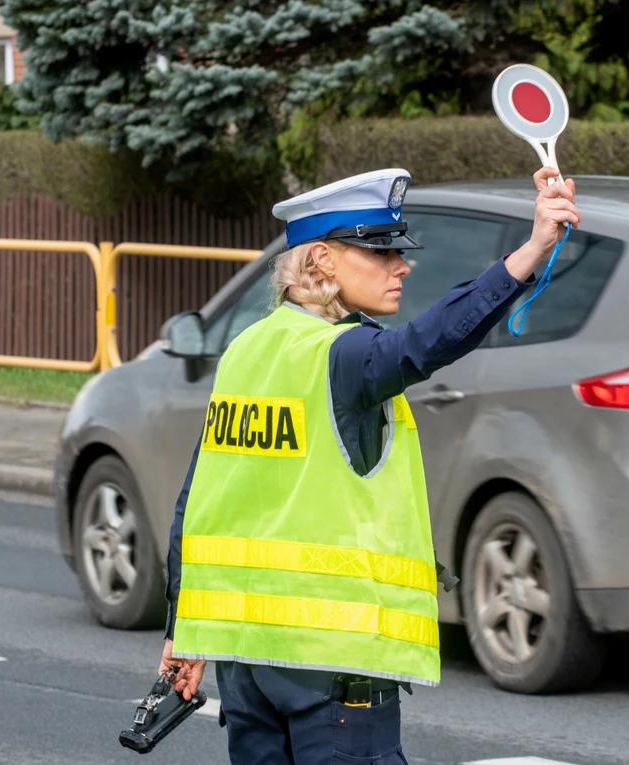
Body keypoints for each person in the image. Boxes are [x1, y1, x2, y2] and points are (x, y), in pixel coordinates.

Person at [156, 165, 580, 765]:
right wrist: (532, 250)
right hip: (331, 667)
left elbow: (196, 503)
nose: (401, 266)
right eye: (380, 253)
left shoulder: (245, 351)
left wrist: (183, 630)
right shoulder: (343, 355)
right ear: (323, 261)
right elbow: (429, 342)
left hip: (246, 666)